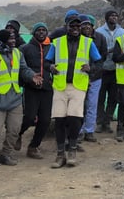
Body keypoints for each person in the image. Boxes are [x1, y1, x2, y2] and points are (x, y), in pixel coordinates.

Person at [44, 14, 102, 168]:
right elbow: (46, 62)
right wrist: (50, 67)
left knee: (74, 119)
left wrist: (91, 68)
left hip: (78, 85)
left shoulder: (88, 43)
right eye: (72, 26)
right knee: (59, 119)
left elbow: (99, 62)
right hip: (60, 86)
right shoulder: (57, 43)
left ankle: (72, 150)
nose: (75, 28)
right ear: (67, 27)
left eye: (78, 26)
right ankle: (60, 154)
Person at [0, 30, 41, 170]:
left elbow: (24, 69)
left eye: (14, 39)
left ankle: (5, 154)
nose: (14, 41)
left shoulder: (17, 53)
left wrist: (32, 76)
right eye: (10, 39)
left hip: (14, 99)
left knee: (14, 130)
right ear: (2, 41)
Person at [18, 23, 54, 159]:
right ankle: (17, 134)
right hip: (31, 88)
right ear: (33, 33)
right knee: (29, 117)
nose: (41, 32)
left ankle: (33, 147)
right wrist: (30, 78)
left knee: (45, 120)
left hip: (47, 88)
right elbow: (21, 68)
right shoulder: (25, 48)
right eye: (38, 30)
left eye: (44, 30)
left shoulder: (52, 48)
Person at [95, 10, 124, 134]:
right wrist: (110, 50)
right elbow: (97, 49)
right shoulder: (99, 32)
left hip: (116, 69)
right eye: (112, 16)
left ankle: (107, 122)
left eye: (116, 15)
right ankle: (99, 122)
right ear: (107, 18)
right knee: (100, 98)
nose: (114, 17)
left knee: (113, 98)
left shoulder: (122, 31)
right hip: (102, 69)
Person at [78, 15, 106, 143]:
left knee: (92, 105)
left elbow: (102, 59)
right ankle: (78, 131)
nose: (86, 27)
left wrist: (91, 70)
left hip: (95, 78)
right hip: (79, 77)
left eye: (88, 24)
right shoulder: (75, 39)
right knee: (79, 105)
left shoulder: (100, 38)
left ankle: (89, 131)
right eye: (83, 24)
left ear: (92, 26)